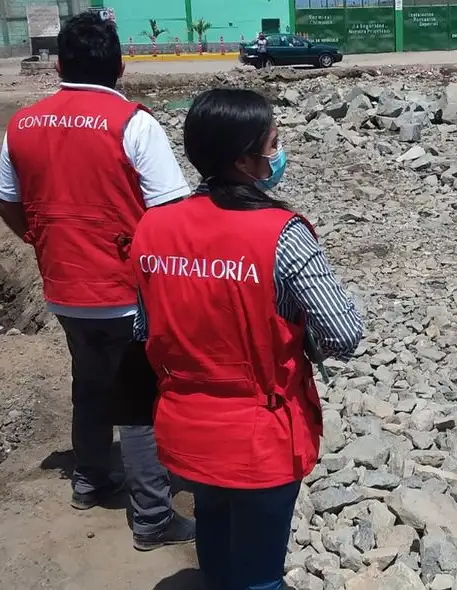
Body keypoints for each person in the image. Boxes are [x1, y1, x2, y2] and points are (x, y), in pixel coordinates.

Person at [130, 88, 363, 590]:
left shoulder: (152, 227)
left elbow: (144, 329)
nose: (278, 154)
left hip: (186, 426)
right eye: (273, 144)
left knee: (214, 527)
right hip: (260, 436)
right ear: (242, 159)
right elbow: (344, 333)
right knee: (261, 575)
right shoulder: (283, 234)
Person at [0, 11, 195, 551]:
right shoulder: (133, 123)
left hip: (64, 289)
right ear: (121, 66)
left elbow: (7, 204)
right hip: (124, 292)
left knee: (89, 384)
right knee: (139, 400)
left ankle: (89, 479)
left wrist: (43, 241)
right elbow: (171, 214)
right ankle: (152, 517)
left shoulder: (22, 124)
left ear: (59, 66)